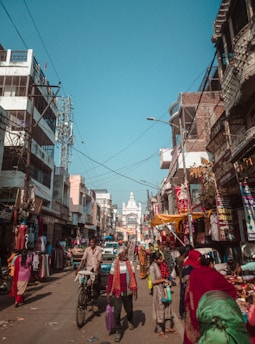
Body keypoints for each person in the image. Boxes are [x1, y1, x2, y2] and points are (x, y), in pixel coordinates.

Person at [184, 254, 237, 344]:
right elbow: (229, 290)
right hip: (209, 312)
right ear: (211, 263)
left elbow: (188, 292)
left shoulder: (194, 273)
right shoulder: (214, 275)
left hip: (195, 309)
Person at [106, 246, 138, 342]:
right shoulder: (115, 264)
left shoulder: (130, 263)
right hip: (117, 292)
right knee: (117, 312)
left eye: (126, 253)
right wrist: (108, 292)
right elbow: (111, 278)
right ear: (120, 255)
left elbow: (133, 277)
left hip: (128, 292)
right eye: (124, 253)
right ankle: (118, 330)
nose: (126, 255)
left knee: (129, 310)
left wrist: (135, 290)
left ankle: (129, 320)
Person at [149, 251, 176, 339]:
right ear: (155, 259)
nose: (161, 260)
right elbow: (153, 281)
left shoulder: (160, 265)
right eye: (160, 259)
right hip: (158, 291)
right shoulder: (152, 267)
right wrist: (163, 280)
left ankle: (167, 327)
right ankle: (160, 330)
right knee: (160, 308)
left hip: (163, 289)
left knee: (167, 307)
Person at [76, 237, 102, 311]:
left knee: (96, 285)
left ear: (95, 243)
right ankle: (86, 296)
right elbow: (83, 259)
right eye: (90, 242)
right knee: (85, 284)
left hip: (96, 270)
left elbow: (99, 260)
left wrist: (96, 269)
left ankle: (95, 302)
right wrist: (79, 268)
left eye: (93, 242)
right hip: (89, 269)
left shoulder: (99, 249)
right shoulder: (87, 249)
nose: (91, 244)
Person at [179, 248, 201, 320]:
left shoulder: (196, 265)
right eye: (198, 258)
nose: (199, 259)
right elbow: (187, 280)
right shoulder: (188, 267)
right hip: (188, 291)